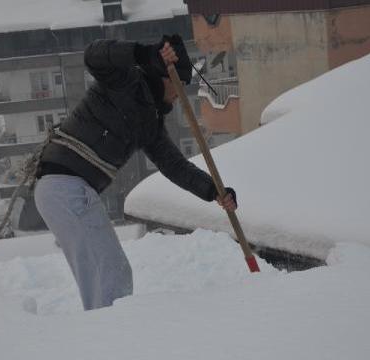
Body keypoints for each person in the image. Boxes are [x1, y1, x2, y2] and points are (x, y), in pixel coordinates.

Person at [33, 35, 238, 311]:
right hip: (65, 186)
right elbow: (93, 55)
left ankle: (103, 335)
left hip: (66, 190)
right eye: (180, 84)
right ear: (164, 76)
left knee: (101, 277)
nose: (180, 95)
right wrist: (144, 53)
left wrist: (214, 190)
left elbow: (175, 166)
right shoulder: (124, 80)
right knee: (112, 275)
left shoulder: (150, 122)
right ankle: (112, 338)